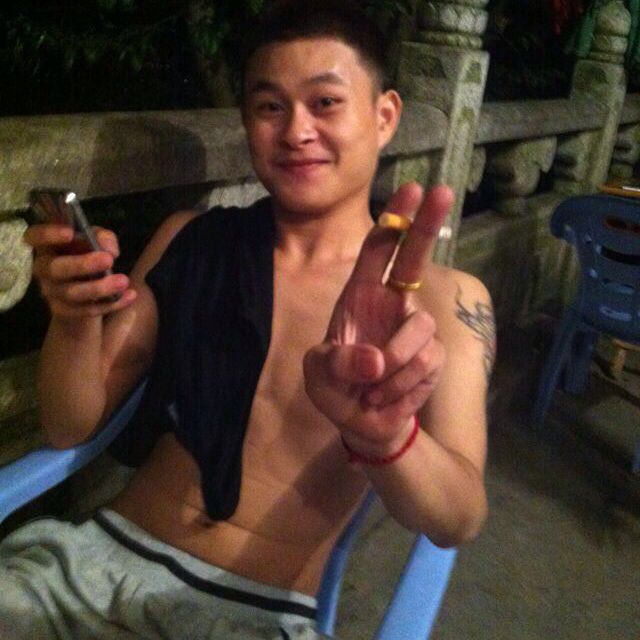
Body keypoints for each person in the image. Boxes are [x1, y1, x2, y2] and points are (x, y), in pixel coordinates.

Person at [4, 2, 494, 638]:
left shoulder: (445, 301)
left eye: (325, 103)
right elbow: (71, 423)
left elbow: (458, 517)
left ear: (384, 116)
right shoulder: (195, 242)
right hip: (92, 566)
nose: (295, 131)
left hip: (254, 613)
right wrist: (73, 320)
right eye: (270, 107)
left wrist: (386, 439)